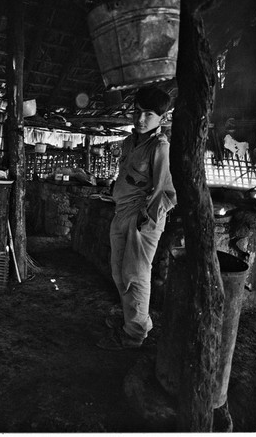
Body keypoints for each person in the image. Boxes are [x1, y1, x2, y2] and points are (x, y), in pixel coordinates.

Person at [97, 86, 177, 350]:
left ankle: (134, 336)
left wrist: (144, 220)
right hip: (122, 212)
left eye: (150, 115)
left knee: (136, 275)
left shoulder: (160, 147)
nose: (141, 119)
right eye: (138, 111)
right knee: (119, 273)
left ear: (162, 119)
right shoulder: (131, 142)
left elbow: (166, 192)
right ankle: (137, 320)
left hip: (142, 219)